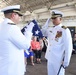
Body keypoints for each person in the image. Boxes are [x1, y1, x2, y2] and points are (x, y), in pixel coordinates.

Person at [0, 5, 34, 75]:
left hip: (4, 66)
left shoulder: (2, 26)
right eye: (19, 15)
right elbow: (26, 45)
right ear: (13, 15)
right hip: (12, 69)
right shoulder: (12, 28)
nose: (19, 18)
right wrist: (28, 33)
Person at [42, 10, 73, 75]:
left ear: (60, 19)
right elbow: (43, 32)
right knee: (50, 73)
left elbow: (68, 47)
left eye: (55, 18)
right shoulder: (51, 29)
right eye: (52, 18)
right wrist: (47, 21)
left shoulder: (64, 30)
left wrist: (66, 62)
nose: (53, 20)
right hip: (50, 57)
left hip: (58, 59)